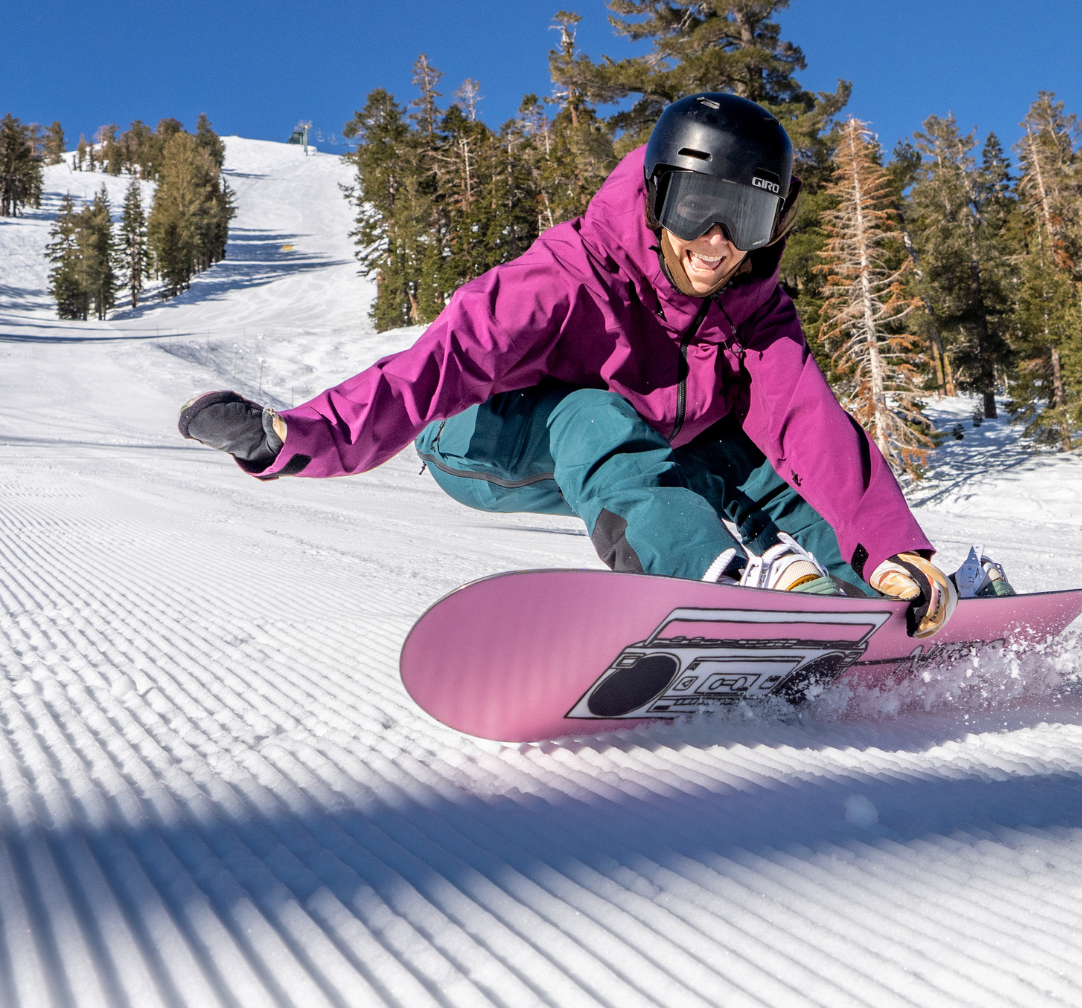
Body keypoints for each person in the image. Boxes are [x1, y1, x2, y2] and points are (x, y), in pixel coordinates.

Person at [178, 91, 959, 637]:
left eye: (744, 216)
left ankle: (865, 595)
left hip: (640, 439)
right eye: (695, 209)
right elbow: (435, 367)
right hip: (477, 434)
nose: (716, 242)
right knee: (595, 411)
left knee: (746, 453)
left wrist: (896, 550)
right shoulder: (566, 277)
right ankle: (704, 583)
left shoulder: (751, 309)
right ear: (657, 199)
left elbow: (812, 429)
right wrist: (296, 434)